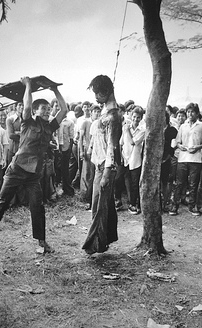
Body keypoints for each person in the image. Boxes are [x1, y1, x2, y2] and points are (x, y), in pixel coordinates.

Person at [0, 76, 68, 253]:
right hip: (16, 169)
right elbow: (26, 106)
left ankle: (42, 242)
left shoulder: (50, 127)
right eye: (43, 109)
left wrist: (55, 90)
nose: (47, 111)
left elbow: (64, 109)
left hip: (33, 175)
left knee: (37, 207)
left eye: (48, 109)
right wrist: (28, 85)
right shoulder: (28, 121)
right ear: (35, 110)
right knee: (2, 202)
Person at [82, 75, 122, 255]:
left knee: (98, 205)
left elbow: (112, 147)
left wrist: (106, 173)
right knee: (104, 204)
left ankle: (95, 244)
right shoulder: (106, 112)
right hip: (100, 164)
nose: (95, 98)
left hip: (106, 166)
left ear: (106, 92)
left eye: (98, 94)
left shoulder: (113, 117)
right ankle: (105, 240)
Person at [169, 104, 202, 216]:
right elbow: (177, 141)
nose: (190, 114)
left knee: (193, 184)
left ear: (197, 114)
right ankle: (175, 206)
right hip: (182, 158)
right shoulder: (183, 126)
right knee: (179, 183)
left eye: (192, 112)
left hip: (196, 159)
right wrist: (180, 146)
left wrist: (198, 147)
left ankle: (192, 206)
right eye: (188, 112)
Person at [121, 106, 145, 215]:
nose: (136, 119)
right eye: (134, 116)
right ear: (131, 116)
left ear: (141, 118)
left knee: (135, 183)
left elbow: (132, 142)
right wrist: (121, 156)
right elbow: (122, 142)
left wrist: (127, 131)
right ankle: (128, 203)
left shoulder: (142, 130)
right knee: (125, 182)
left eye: (138, 117)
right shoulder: (125, 127)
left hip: (135, 160)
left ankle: (135, 204)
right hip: (125, 158)